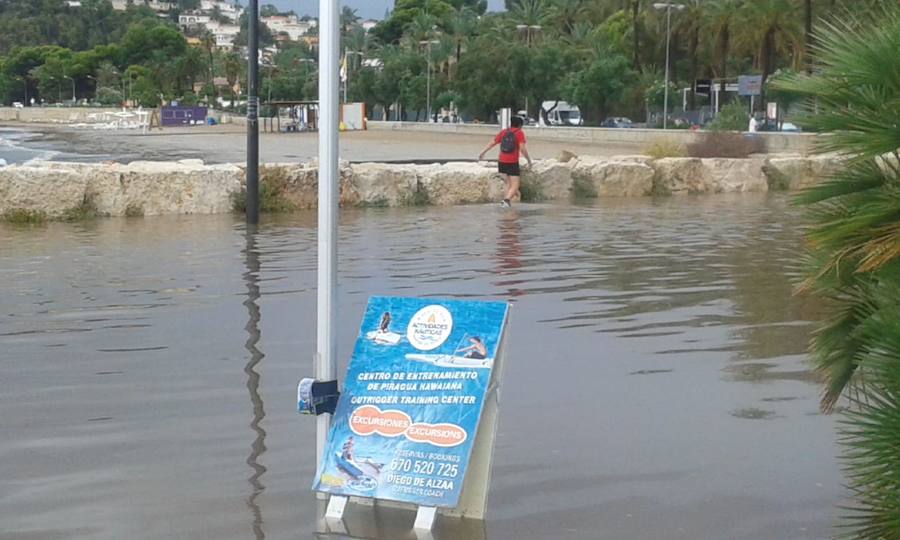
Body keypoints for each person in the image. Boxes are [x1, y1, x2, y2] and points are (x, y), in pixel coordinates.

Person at [478, 116, 532, 208]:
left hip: (502, 161)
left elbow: (493, 142)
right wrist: (528, 160)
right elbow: (522, 148)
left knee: (508, 183)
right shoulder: (519, 133)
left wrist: (483, 152)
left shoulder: (504, 132)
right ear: (520, 125)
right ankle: (506, 201)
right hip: (512, 161)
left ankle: (507, 203)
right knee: (515, 185)